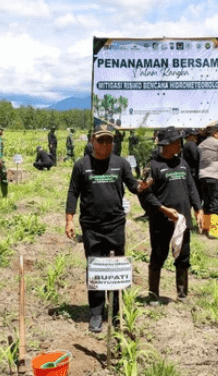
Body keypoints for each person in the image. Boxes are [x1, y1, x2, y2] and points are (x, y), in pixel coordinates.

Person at [65, 124, 143, 332]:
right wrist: (69, 219)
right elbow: (73, 193)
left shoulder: (121, 163)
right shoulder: (82, 165)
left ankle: (116, 313)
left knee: (116, 268)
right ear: (93, 141)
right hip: (91, 226)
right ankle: (96, 314)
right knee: (96, 268)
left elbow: (133, 186)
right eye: (101, 140)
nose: (106, 144)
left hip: (115, 224)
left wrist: (142, 186)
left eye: (109, 140)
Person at [139, 127, 202, 301]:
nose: (179, 145)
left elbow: (191, 188)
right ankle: (153, 295)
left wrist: (198, 209)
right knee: (158, 256)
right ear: (165, 145)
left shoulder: (182, 163)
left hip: (182, 221)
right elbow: (146, 194)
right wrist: (163, 209)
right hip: (161, 221)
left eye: (179, 141)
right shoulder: (153, 166)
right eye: (175, 142)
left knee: (183, 257)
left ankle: (182, 294)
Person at [197, 126, 218, 239]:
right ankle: (213, 231)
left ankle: (205, 229)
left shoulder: (200, 145)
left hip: (202, 176)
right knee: (216, 201)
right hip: (215, 176)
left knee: (206, 202)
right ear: (215, 133)